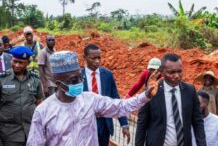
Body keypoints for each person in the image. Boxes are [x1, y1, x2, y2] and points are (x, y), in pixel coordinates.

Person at [26, 51, 157, 146]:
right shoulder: (43, 111)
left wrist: (145, 96)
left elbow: (120, 107)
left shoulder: (90, 100)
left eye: (80, 77)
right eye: (73, 80)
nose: (79, 82)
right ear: (58, 83)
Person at [135, 53, 206, 146]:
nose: (177, 76)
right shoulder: (151, 91)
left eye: (179, 71)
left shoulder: (190, 90)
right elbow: (142, 123)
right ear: (161, 71)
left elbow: (198, 121)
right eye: (171, 72)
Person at [81, 44, 130, 146]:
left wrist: (124, 123)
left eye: (99, 57)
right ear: (84, 57)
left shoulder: (107, 75)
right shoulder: (78, 77)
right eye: (93, 58)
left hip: (104, 123)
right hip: (85, 124)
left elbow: (116, 99)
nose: (97, 61)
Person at [0, 46, 44, 146]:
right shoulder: (2, 80)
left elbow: (38, 104)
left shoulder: (35, 80)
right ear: (11, 59)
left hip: (31, 132)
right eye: (15, 61)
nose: (17, 65)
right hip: (8, 134)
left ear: (28, 63)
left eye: (21, 62)